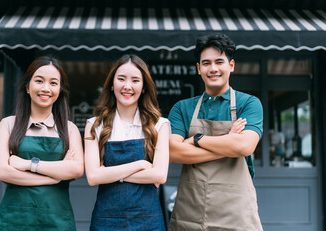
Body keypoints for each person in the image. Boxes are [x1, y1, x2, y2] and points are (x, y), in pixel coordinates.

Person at [167, 34, 263, 231]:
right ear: (198, 68)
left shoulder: (249, 104)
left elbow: (244, 146)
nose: (213, 69)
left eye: (219, 62)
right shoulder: (182, 108)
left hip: (235, 215)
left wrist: (196, 139)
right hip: (190, 214)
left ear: (231, 65)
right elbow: (173, 153)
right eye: (206, 63)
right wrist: (228, 142)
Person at [0, 56, 84, 231]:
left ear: (60, 90)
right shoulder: (8, 124)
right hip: (14, 219)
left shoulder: (69, 129)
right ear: (27, 87)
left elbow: (76, 169)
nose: (46, 88)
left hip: (57, 220)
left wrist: (28, 164)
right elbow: (0, 171)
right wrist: (54, 177)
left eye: (54, 83)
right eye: (39, 81)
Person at [84, 54, 170, 230]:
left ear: (144, 86)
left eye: (135, 80)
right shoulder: (94, 125)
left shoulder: (160, 125)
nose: (127, 86)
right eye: (121, 79)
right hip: (106, 220)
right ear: (111, 84)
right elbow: (93, 177)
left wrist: (108, 174)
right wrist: (140, 164)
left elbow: (159, 175)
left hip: (148, 221)